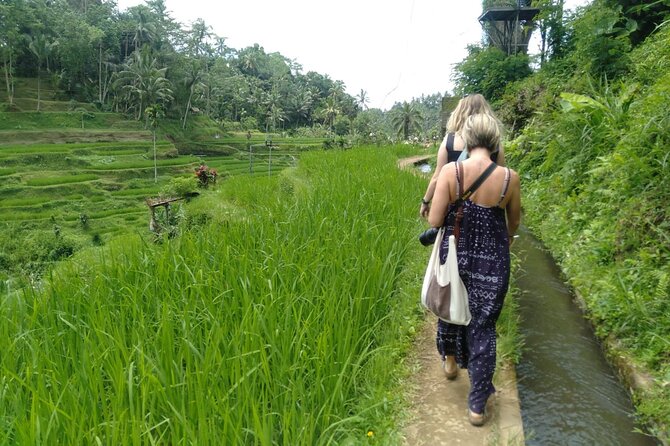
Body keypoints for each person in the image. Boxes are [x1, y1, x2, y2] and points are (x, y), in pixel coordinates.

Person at [427, 113, 521, 426]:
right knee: (483, 328)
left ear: (466, 140)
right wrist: (502, 242)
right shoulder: (510, 178)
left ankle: (451, 364)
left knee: (451, 308)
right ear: (496, 143)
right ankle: (477, 406)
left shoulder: (452, 171)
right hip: (493, 262)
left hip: (455, 255)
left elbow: (433, 219)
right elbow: (514, 223)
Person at [420, 94, 506, 219]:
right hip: (486, 213)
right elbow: (501, 181)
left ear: (459, 113)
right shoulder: (496, 145)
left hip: (456, 214)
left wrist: (426, 201)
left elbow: (436, 177)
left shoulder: (449, 141)